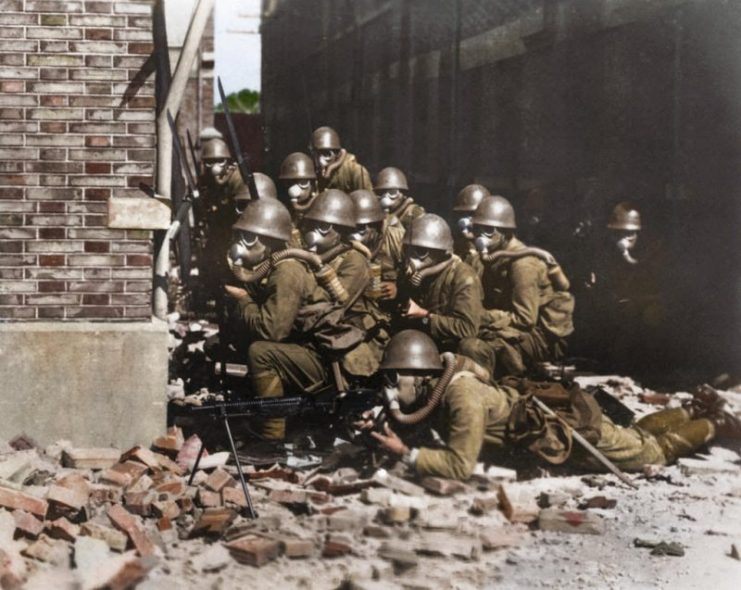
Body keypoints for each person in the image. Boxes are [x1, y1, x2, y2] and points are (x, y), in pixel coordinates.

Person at [369, 331, 741, 481]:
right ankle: (692, 410)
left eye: (392, 379)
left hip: (569, 433)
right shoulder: (447, 383)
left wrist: (408, 454)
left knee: (652, 452)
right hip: (555, 419)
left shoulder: (460, 396)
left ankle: (715, 424)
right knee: (636, 433)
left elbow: (459, 464)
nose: (389, 389)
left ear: (417, 375)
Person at [241, 189, 373, 441]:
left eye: (324, 227)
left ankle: (272, 436)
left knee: (263, 350)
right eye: (312, 224)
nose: (313, 231)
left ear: (340, 230)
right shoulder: (308, 256)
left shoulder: (354, 260)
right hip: (316, 340)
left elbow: (334, 309)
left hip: (337, 353)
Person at [459, 196, 574, 378]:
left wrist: (481, 316)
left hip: (541, 338)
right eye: (478, 229)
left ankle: (506, 385)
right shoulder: (493, 256)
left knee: (477, 347)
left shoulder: (522, 264)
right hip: (518, 327)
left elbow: (525, 318)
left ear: (506, 232)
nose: (481, 236)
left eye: (488, 231)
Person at [395, 214, 483, 353]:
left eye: (421, 251)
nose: (411, 258)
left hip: (450, 349)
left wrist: (426, 316)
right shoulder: (409, 275)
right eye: (408, 250)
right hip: (419, 343)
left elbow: (467, 329)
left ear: (441, 253)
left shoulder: (462, 275)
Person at [349, 189, 405, 305]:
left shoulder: (395, 238)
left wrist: (398, 289)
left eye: (372, 225)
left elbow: (414, 274)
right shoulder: (340, 240)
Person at [310, 126, 372, 193]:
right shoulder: (313, 171)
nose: (320, 161)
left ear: (337, 153)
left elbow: (367, 200)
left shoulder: (355, 172)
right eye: (316, 155)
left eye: (326, 154)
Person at [278, 152, 318, 247]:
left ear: (313, 184)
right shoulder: (285, 210)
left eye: (303, 182)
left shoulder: (321, 206)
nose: (294, 189)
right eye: (290, 183)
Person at [452, 183, 490, 264]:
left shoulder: (495, 246)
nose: (467, 220)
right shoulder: (456, 242)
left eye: (472, 214)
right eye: (463, 214)